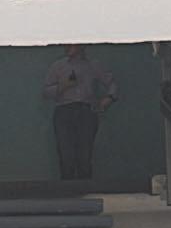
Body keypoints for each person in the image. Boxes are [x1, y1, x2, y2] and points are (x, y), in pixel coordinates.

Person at [41, 45, 118, 181]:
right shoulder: (58, 66)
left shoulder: (93, 65)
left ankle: (86, 189)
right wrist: (63, 86)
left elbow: (112, 83)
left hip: (86, 111)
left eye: (71, 43)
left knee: (85, 155)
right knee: (66, 154)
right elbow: (46, 92)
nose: (67, 46)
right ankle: (68, 189)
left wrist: (108, 98)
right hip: (64, 111)